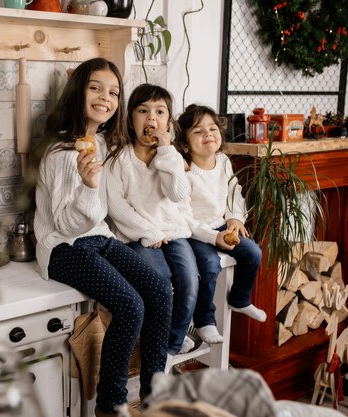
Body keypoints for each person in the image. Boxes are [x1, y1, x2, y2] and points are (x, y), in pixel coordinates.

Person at [33, 58, 173, 417]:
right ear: (78, 92)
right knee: (130, 306)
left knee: (159, 290)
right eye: (95, 87)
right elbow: (66, 225)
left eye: (113, 92)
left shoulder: (97, 142)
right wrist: (89, 187)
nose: (105, 97)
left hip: (97, 238)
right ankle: (111, 405)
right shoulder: (62, 152)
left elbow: (101, 215)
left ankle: (155, 396)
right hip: (64, 248)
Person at [106, 84, 199, 356]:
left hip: (173, 229)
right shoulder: (119, 158)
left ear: (168, 121)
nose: (151, 119)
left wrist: (168, 152)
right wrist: (147, 232)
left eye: (160, 112)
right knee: (160, 280)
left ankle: (171, 342)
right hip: (137, 235)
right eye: (143, 111)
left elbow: (177, 193)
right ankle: (155, 343)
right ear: (130, 119)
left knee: (190, 280)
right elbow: (116, 206)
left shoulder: (171, 156)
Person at [174, 104, 266, 345]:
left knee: (253, 253)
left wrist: (235, 218)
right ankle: (205, 321)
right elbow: (185, 218)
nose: (208, 134)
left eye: (212, 128)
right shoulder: (185, 171)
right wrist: (212, 238)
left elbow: (234, 192)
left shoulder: (223, 161)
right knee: (209, 264)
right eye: (198, 131)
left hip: (221, 226)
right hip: (195, 233)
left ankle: (240, 298)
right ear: (184, 143)